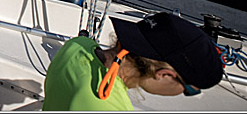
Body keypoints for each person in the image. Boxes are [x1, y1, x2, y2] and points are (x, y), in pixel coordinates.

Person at [42, 12, 224, 111]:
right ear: (165, 75)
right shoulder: (109, 105)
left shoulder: (77, 46)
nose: (183, 93)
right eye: (189, 90)